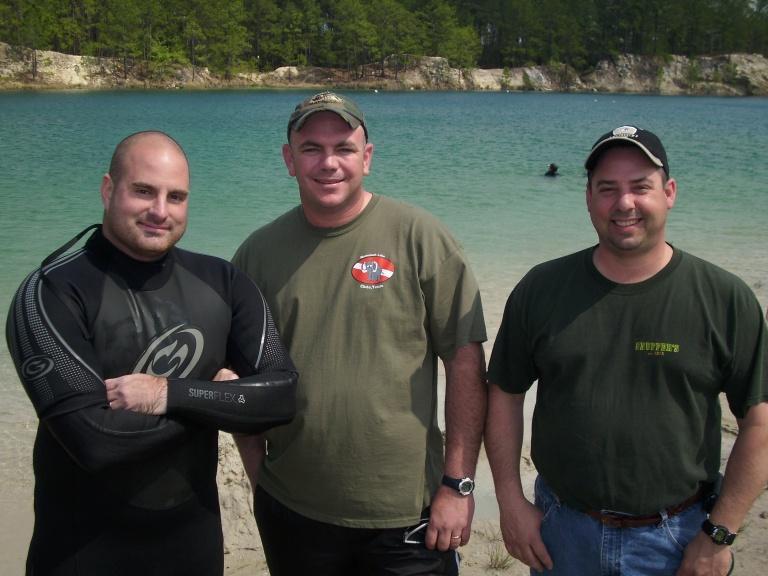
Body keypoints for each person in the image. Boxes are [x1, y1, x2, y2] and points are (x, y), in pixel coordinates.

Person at [6, 131, 298, 576]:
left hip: (192, 547)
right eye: (143, 191)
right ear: (108, 189)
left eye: (176, 197)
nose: (160, 211)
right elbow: (95, 441)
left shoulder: (222, 282)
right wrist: (222, 400)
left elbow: (280, 398)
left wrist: (169, 394)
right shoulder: (50, 292)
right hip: (81, 554)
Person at [485, 125, 768, 575]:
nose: (624, 204)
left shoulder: (723, 298)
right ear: (588, 197)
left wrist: (719, 534)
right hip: (561, 531)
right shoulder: (542, 288)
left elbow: (759, 421)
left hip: (679, 537)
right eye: (607, 189)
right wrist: (510, 502)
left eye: (641, 187)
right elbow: (504, 393)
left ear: (669, 192)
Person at [232, 91, 488, 575]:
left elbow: (466, 361)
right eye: (311, 148)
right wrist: (258, 480)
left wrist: (458, 485)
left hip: (408, 516)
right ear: (289, 159)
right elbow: (239, 378)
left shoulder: (421, 237)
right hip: (293, 510)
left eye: (344, 148)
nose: (329, 163)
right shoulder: (257, 254)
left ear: (366, 158)